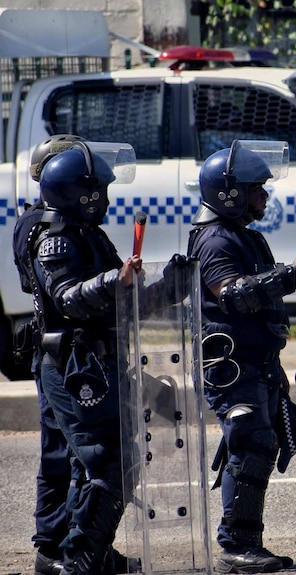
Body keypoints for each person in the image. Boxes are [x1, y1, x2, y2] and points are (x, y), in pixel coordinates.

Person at [28, 142, 186, 574]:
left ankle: (89, 554)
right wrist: (111, 280)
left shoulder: (88, 234)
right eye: (99, 190)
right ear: (82, 194)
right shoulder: (55, 242)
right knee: (104, 460)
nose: (107, 199)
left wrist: (172, 285)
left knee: (113, 459)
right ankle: (80, 560)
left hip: (101, 361)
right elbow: (68, 298)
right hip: (72, 366)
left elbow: (125, 301)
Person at [187, 141, 296, 573]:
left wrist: (275, 366)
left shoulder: (242, 236)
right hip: (229, 366)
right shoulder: (215, 241)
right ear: (228, 192)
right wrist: (290, 276)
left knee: (258, 444)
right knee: (251, 443)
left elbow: (258, 313)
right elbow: (233, 296)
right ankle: (236, 547)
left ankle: (245, 544)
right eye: (255, 188)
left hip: (254, 361)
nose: (264, 195)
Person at [12, 134, 85, 575]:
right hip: (58, 350)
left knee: (69, 451)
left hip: (61, 347)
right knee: (62, 453)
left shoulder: (41, 220)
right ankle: (52, 548)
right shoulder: (42, 225)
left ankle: (75, 542)